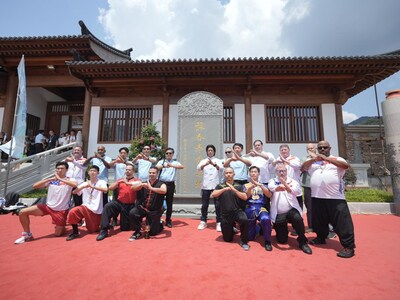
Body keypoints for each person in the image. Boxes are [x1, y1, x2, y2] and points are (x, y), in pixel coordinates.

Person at [301, 140, 356, 258]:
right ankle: (321, 237)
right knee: (319, 221)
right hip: (317, 196)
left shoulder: (337, 159)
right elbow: (303, 167)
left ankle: (349, 246)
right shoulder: (314, 163)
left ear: (329, 148)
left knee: (342, 223)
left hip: (335, 197)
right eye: (320, 148)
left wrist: (327, 159)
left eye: (324, 147)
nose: (322, 150)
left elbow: (346, 166)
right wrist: (313, 159)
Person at [14, 161, 78, 244]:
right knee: (22, 212)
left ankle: (62, 227)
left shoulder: (70, 179)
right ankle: (27, 234)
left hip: (61, 210)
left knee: (58, 234)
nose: (59, 170)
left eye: (62, 168)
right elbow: (35, 186)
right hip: (47, 207)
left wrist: (60, 179)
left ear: (66, 170)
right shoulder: (51, 181)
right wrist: (50, 179)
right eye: (58, 168)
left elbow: (74, 185)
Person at [268, 163, 312, 255]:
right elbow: (271, 187)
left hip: (291, 211)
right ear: (276, 172)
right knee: (282, 240)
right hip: (279, 214)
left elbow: (297, 192)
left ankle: (302, 241)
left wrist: (286, 185)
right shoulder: (272, 180)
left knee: (298, 218)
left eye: (283, 170)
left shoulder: (293, 181)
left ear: (286, 171)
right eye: (279, 171)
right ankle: (281, 229)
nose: (281, 172)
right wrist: (279, 187)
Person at [96, 164, 142, 241]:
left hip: (130, 205)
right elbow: (110, 188)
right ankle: (104, 230)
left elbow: (138, 185)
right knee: (108, 206)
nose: (127, 171)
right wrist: (118, 182)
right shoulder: (120, 180)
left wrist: (126, 182)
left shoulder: (137, 180)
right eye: (126, 169)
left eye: (129, 169)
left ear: (133, 171)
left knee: (125, 228)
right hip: (119, 203)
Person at [211, 167, 250, 251]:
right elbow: (214, 194)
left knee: (244, 220)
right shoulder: (220, 185)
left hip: (237, 211)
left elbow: (244, 197)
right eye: (227, 173)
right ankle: (231, 229)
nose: (228, 175)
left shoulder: (239, 186)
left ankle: (244, 241)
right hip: (225, 214)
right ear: (224, 175)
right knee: (227, 239)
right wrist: (224, 189)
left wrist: (234, 189)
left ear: (234, 174)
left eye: (230, 173)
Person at [66, 165, 108, 240]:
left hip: (96, 209)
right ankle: (75, 232)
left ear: (98, 173)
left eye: (94, 171)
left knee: (93, 230)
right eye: (91, 171)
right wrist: (82, 187)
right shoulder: (84, 183)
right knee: (72, 212)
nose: (92, 172)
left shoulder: (101, 182)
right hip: (85, 206)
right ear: (88, 172)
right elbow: (74, 192)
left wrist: (93, 187)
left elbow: (105, 189)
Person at [128, 167, 167, 241]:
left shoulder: (161, 183)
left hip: (154, 211)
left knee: (152, 232)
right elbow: (132, 188)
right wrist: (142, 185)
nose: (151, 174)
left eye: (153, 173)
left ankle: (160, 223)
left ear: (157, 174)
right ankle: (137, 231)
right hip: (143, 208)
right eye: (150, 173)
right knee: (133, 213)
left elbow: (164, 190)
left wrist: (151, 188)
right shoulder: (144, 182)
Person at [243, 166, 273, 251]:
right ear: (249, 174)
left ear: (258, 173)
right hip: (250, 208)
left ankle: (267, 241)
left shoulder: (264, 184)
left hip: (261, 208)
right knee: (250, 237)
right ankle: (259, 227)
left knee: (265, 218)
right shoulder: (245, 185)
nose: (253, 173)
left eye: (255, 172)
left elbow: (269, 195)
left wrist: (261, 186)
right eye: (251, 172)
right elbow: (245, 197)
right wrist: (250, 188)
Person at [196, 144, 223, 231]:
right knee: (204, 204)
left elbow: (221, 168)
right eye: (208, 150)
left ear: (214, 151)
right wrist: (205, 164)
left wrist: (213, 164)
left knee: (218, 205)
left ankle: (219, 222)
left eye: (211, 150)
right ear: (206, 152)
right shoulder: (203, 160)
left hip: (216, 185)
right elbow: (198, 169)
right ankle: (203, 221)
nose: (210, 152)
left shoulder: (218, 160)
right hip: (206, 185)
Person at [156, 147, 184, 228]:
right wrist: (164, 166)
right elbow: (157, 168)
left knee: (169, 203)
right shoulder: (161, 162)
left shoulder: (175, 162)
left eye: (170, 153)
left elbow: (182, 166)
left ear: (172, 154)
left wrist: (172, 165)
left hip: (170, 184)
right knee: (158, 202)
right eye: (167, 153)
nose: (168, 155)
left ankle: (168, 220)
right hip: (161, 183)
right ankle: (157, 218)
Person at [300, 143, 316, 233]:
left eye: (312, 148)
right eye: (308, 149)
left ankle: (326, 226)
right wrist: (312, 159)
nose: (310, 150)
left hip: (319, 186)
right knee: (309, 207)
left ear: (315, 148)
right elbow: (302, 168)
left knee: (322, 206)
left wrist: (316, 157)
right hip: (307, 185)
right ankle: (311, 226)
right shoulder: (304, 159)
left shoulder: (321, 158)